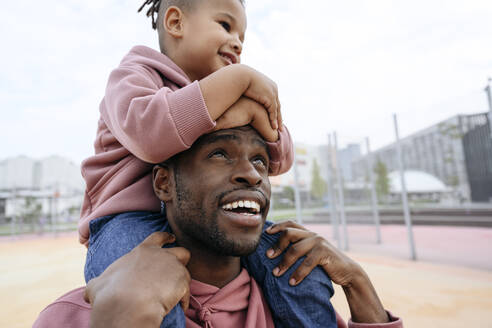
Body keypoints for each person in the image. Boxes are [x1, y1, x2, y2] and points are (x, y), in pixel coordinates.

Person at [35, 126, 403, 328]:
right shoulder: (72, 318)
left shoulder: (298, 304)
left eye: (260, 159)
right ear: (163, 183)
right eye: (219, 153)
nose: (252, 173)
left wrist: (358, 283)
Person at [81, 0, 294, 324]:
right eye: (225, 25)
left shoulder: (226, 91)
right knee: (146, 294)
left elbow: (282, 157)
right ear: (176, 23)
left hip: (206, 218)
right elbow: (153, 134)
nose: (237, 41)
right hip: (126, 220)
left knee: (295, 263)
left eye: (242, 36)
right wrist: (240, 87)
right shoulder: (134, 74)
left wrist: (249, 107)